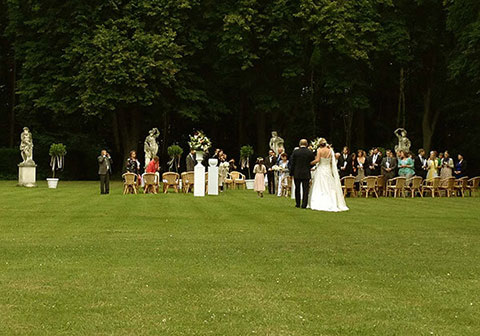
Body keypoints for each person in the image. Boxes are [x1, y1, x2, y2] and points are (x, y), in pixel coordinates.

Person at [308, 138, 348, 212]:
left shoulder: (319, 150)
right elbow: (331, 162)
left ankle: (318, 201)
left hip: (321, 169)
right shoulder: (330, 151)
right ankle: (331, 201)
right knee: (329, 186)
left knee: (319, 185)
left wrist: (310, 163)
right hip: (328, 170)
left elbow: (317, 160)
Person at [289, 139, 315, 208]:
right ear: (306, 144)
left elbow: (292, 163)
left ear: (299, 144)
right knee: (305, 189)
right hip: (306, 173)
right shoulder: (309, 152)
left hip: (297, 173)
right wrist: (308, 167)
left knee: (297, 189)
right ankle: (304, 204)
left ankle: (297, 203)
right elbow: (313, 162)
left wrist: (291, 173)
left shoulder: (295, 152)